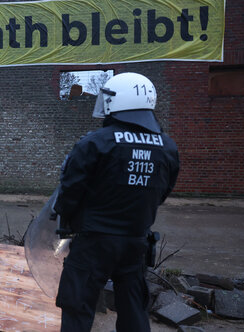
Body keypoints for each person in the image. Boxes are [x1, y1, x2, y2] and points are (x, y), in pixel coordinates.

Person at [53, 72, 180, 332]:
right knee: (133, 306)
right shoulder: (167, 147)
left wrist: (66, 220)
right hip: (136, 241)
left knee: (78, 306)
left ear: (118, 101)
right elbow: (163, 192)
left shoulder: (95, 143)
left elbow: (70, 191)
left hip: (94, 242)